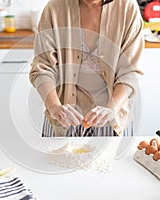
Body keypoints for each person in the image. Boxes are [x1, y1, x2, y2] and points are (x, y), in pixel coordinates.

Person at [29, 0, 144, 137]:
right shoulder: (54, 8)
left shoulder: (127, 8)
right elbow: (43, 67)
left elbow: (130, 71)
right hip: (63, 119)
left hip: (111, 119)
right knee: (55, 158)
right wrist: (54, 107)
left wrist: (111, 108)